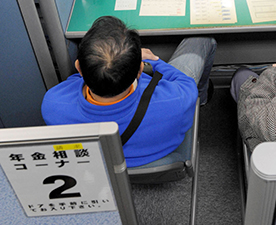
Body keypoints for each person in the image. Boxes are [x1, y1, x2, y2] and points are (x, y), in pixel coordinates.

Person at [42, 16, 217, 167]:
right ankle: (202, 100)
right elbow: (185, 82)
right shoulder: (175, 100)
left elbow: (73, 83)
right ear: (140, 69)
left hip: (102, 165)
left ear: (79, 67)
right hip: (162, 155)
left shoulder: (53, 105)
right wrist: (155, 61)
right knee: (202, 40)